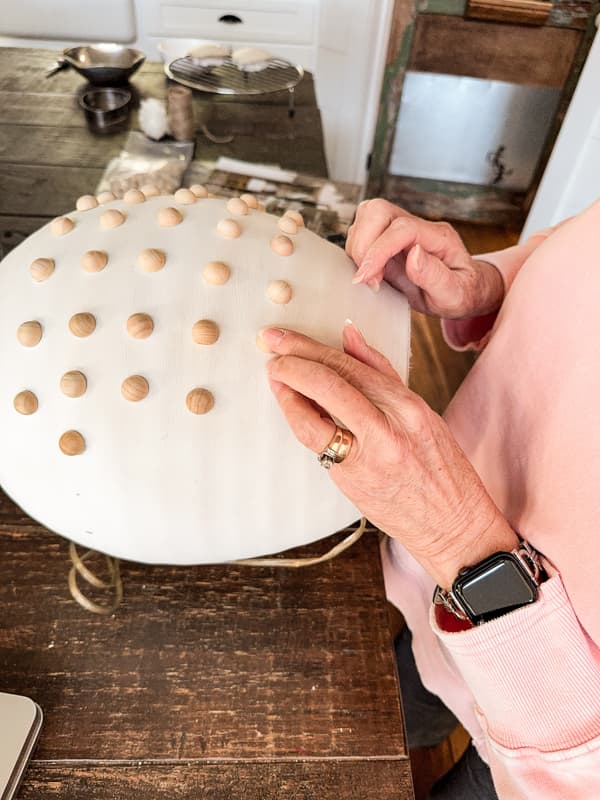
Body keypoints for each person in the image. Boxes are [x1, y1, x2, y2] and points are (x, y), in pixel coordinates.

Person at [259, 197, 600, 799]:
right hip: (439, 580)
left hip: (553, 739)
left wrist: (460, 538)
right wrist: (488, 282)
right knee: (412, 687)